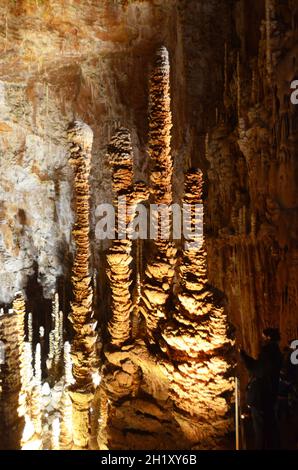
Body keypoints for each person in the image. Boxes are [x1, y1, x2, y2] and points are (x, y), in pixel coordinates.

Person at [240, 328, 283, 449]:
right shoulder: (276, 352)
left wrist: (244, 357)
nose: (262, 339)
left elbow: (258, 370)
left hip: (262, 397)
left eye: (263, 337)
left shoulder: (269, 352)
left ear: (268, 338)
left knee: (261, 429)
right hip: (269, 395)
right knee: (271, 426)